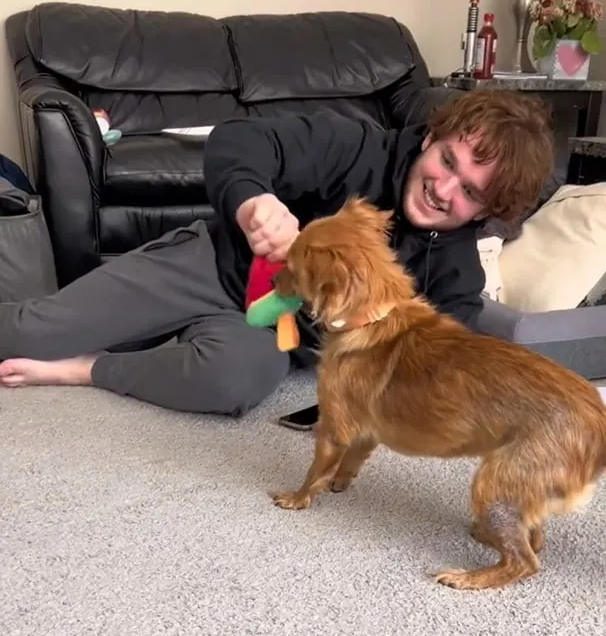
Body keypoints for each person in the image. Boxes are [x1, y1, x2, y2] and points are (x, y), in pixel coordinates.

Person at [0, 89, 554, 417]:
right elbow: (240, 139)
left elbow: (443, 351)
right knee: (28, 333)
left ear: (486, 212)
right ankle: (112, 332)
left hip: (268, 335)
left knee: (234, 381)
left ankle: (88, 369)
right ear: (434, 137)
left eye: (472, 193)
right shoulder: (357, 146)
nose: (445, 189)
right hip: (213, 268)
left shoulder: (455, 266)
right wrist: (253, 203)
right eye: (449, 162)